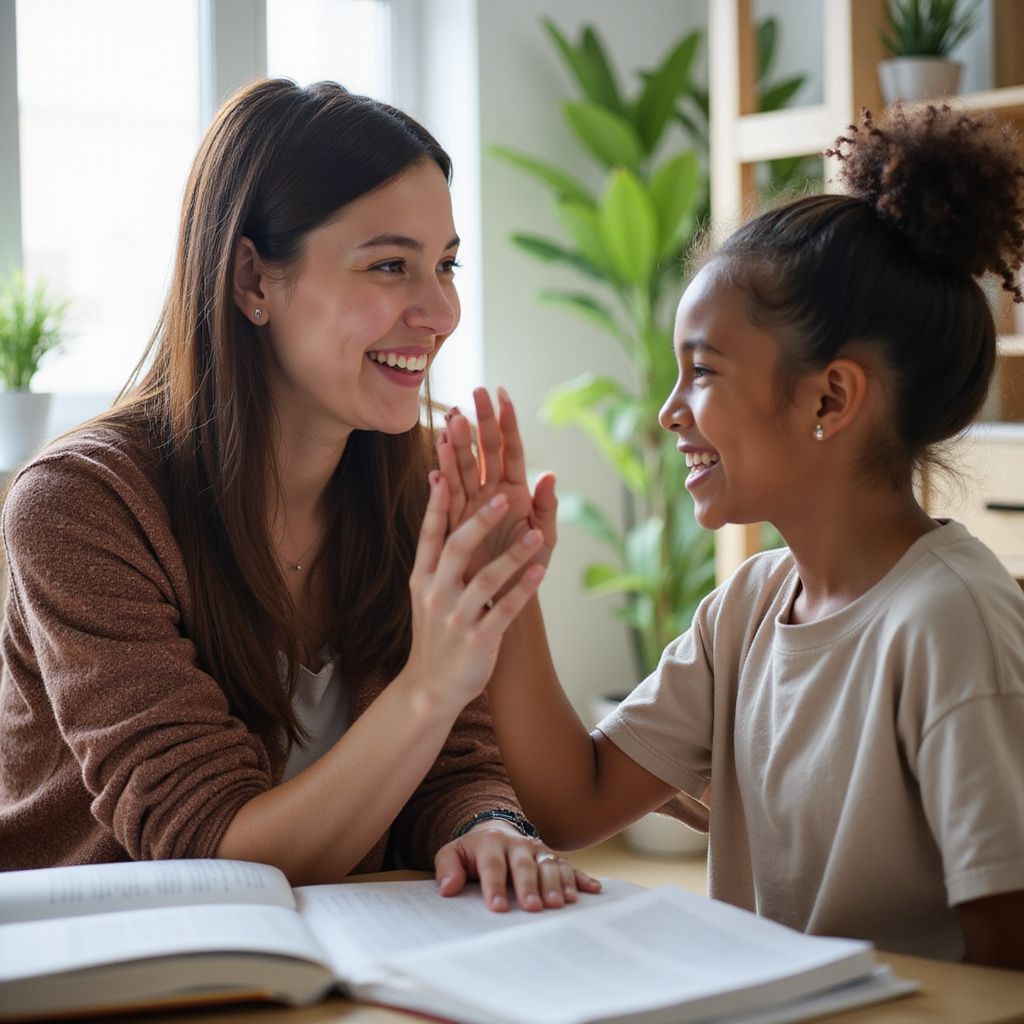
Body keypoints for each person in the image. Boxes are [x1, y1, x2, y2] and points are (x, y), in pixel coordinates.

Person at [437, 104, 1024, 965]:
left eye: (702, 371)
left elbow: (1009, 967)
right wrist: (511, 585)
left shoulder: (950, 624)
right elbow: (574, 801)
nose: (670, 411)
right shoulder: (746, 608)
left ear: (830, 399)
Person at [0, 78, 600, 911]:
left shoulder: (415, 481)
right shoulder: (80, 507)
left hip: (339, 958)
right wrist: (432, 681)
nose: (441, 311)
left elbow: (455, 767)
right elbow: (210, 852)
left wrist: (491, 825)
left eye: (446, 265)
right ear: (252, 278)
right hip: (115, 965)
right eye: (390, 265)